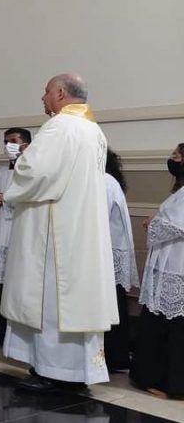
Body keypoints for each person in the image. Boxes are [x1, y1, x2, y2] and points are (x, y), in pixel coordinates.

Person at [2, 73, 118, 392]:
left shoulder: (59, 127)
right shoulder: (94, 131)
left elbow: (34, 172)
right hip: (82, 231)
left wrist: (20, 164)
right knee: (74, 301)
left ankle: (54, 370)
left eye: (46, 92)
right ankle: (76, 370)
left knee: (53, 301)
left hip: (56, 232)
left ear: (61, 94)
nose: (43, 98)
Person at [130, 143, 184, 399]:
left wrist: (154, 223)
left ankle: (168, 381)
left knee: (172, 327)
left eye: (176, 155)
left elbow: (176, 225)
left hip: (177, 265)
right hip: (170, 263)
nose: (171, 159)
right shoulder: (179, 192)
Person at [0, 127, 31, 346]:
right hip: (1, 231)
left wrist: (8, 198)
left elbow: (28, 199)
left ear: (26, 145)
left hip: (18, 230)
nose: (8, 146)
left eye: (13, 141)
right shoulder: (3, 173)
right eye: (5, 142)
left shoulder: (31, 171)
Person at [102, 149, 138, 372]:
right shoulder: (108, 180)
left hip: (108, 253)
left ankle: (115, 357)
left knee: (111, 307)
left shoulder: (104, 182)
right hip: (109, 252)